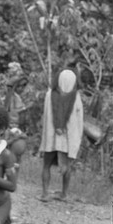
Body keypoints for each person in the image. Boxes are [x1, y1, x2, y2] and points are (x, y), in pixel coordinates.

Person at [38, 69, 84, 202]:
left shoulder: (49, 95)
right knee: (67, 167)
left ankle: (45, 194)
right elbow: (78, 120)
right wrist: (76, 138)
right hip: (67, 140)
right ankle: (64, 194)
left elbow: (45, 117)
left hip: (51, 138)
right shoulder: (76, 97)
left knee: (46, 165)